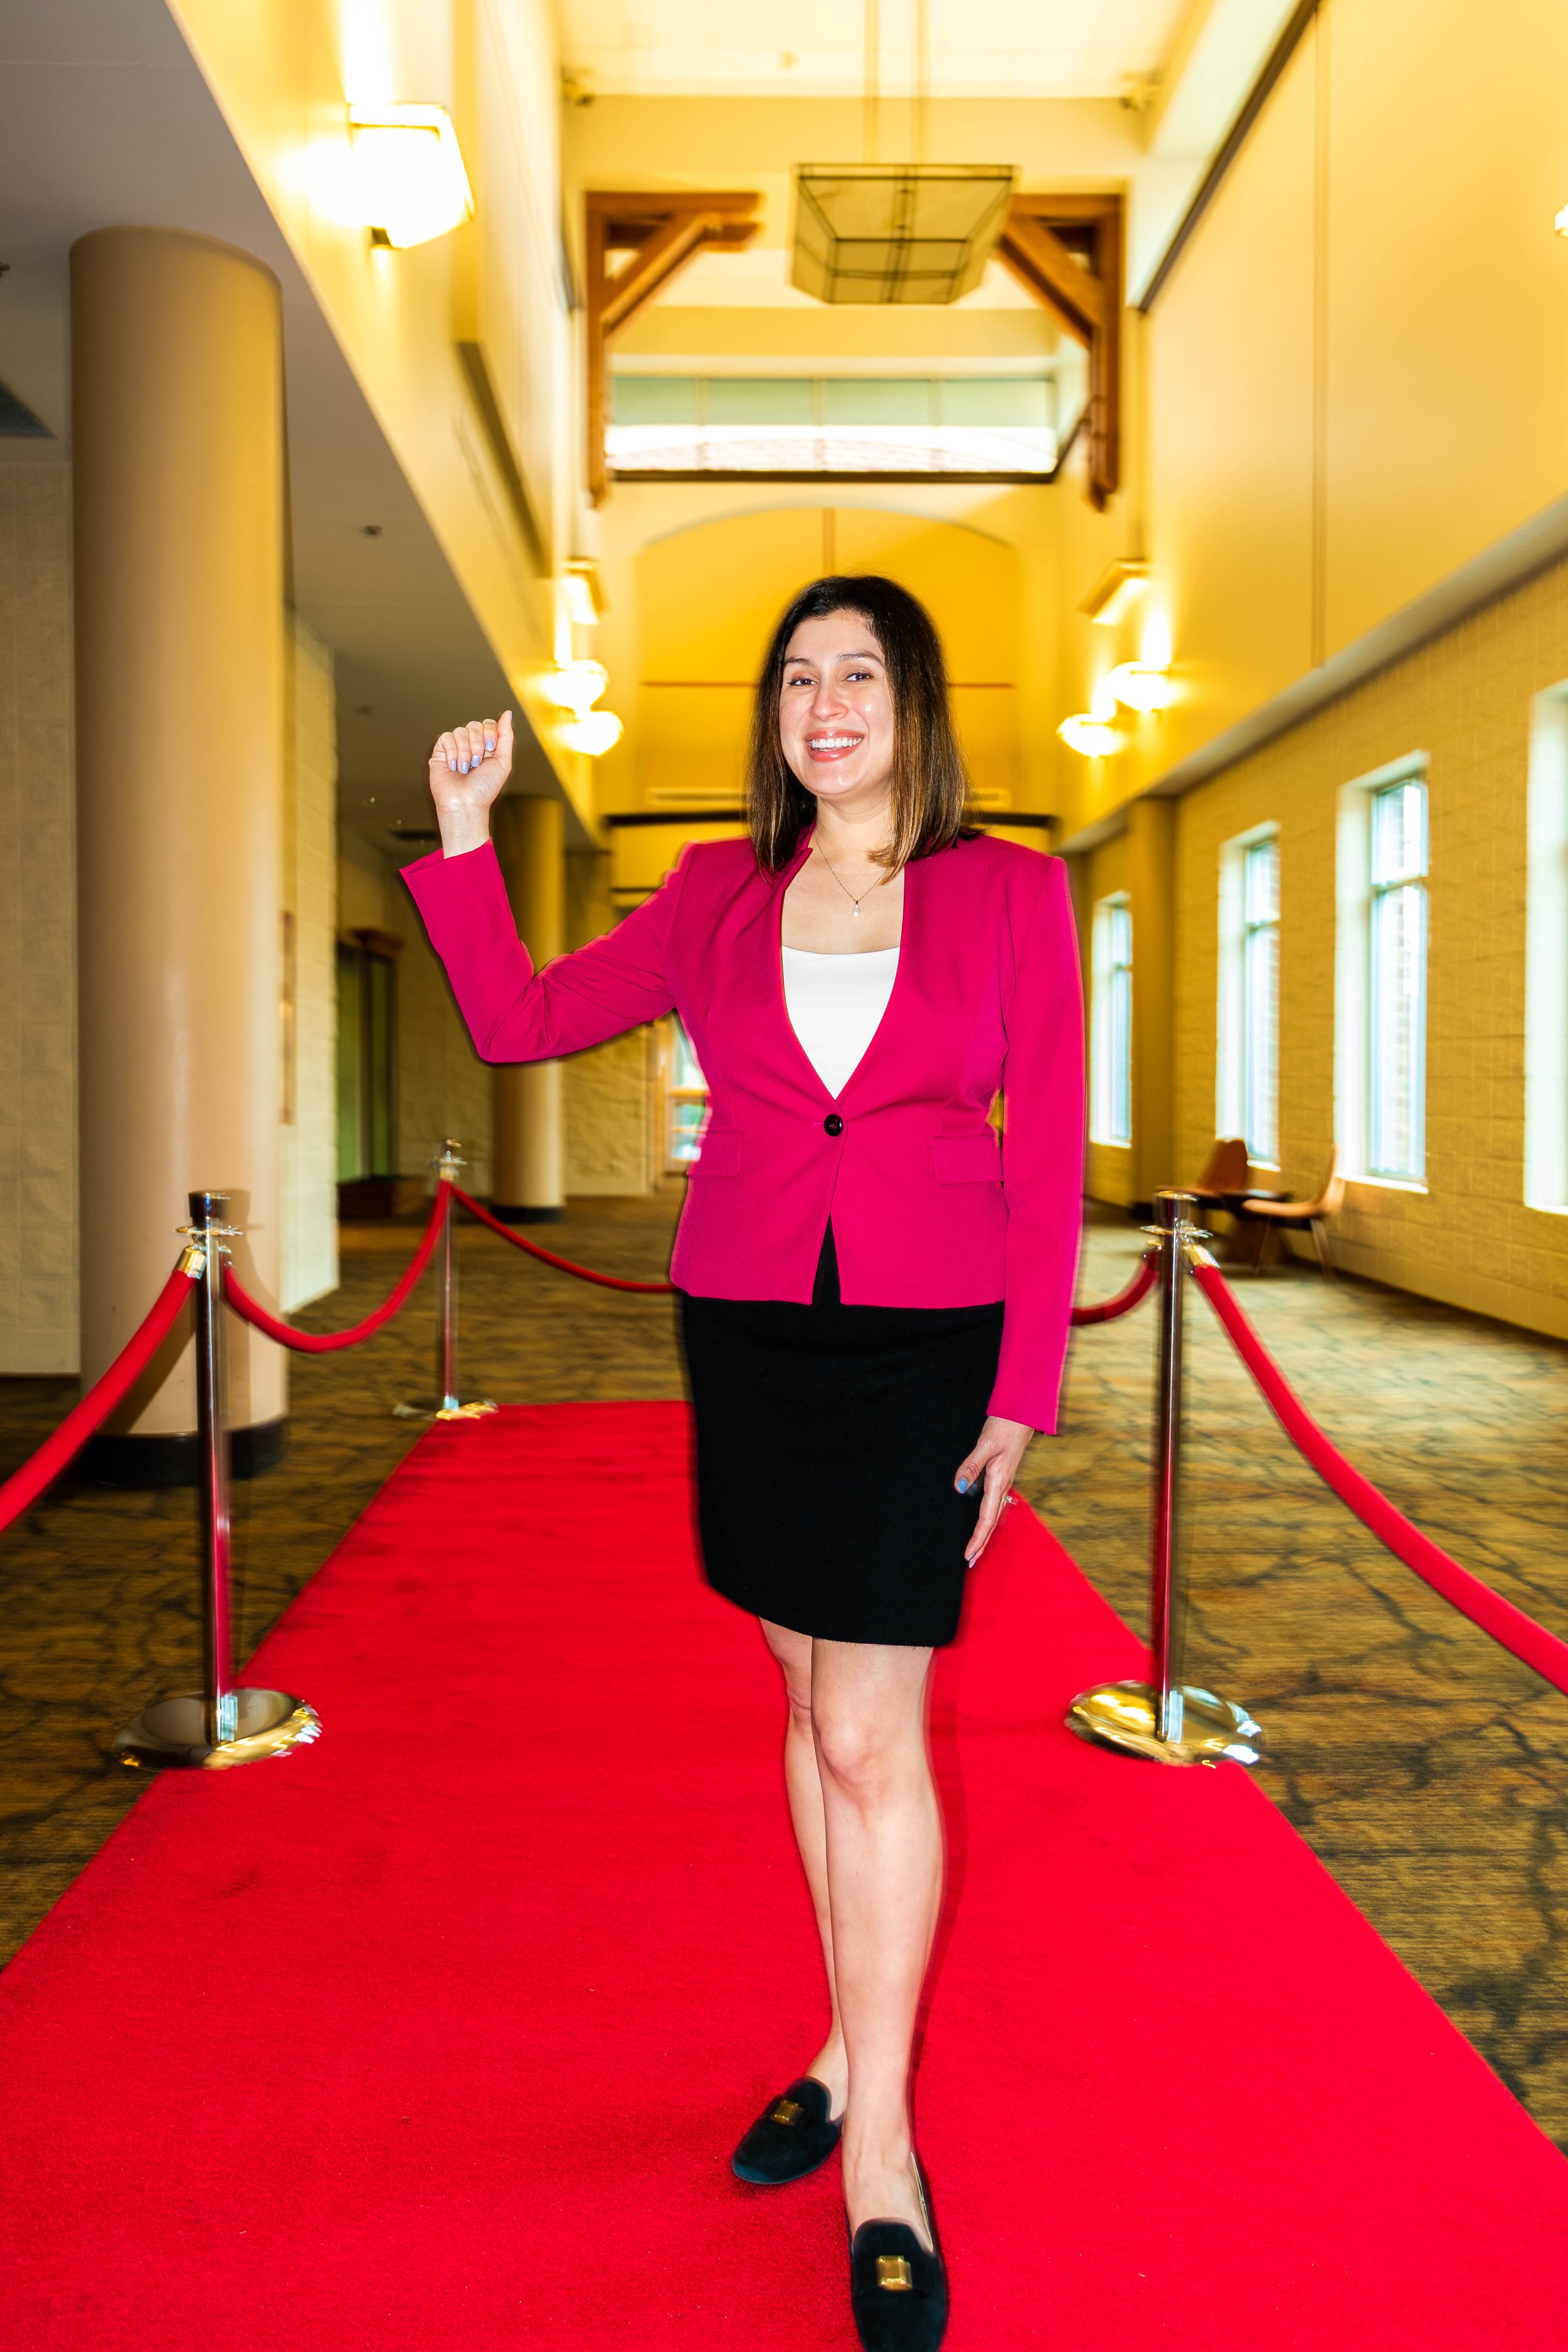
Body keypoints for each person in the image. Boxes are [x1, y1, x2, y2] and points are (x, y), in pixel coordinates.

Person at [403, 575, 1084, 2351]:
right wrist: (464, 842)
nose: (824, 699)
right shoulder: (714, 890)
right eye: (798, 676)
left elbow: (1048, 1155)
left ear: (915, 707)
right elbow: (521, 1021)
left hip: (928, 1339)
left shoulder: (1009, 891)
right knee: (803, 1706)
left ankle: (887, 2151)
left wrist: (1024, 1384)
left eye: (858, 671)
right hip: (756, 1331)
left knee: (870, 1734)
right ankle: (846, 2041)